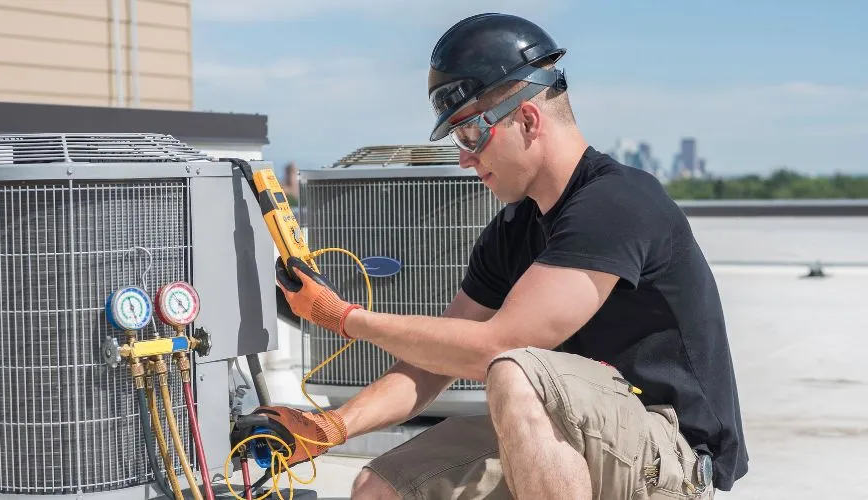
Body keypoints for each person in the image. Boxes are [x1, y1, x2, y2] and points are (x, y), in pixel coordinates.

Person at [232, 12, 748, 499]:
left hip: (669, 457)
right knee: (383, 486)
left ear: (527, 118)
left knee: (515, 372)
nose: (464, 157)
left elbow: (498, 346)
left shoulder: (616, 202)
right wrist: (330, 427)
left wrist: (345, 319)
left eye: (471, 131)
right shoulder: (514, 229)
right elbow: (431, 366)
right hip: (579, 439)